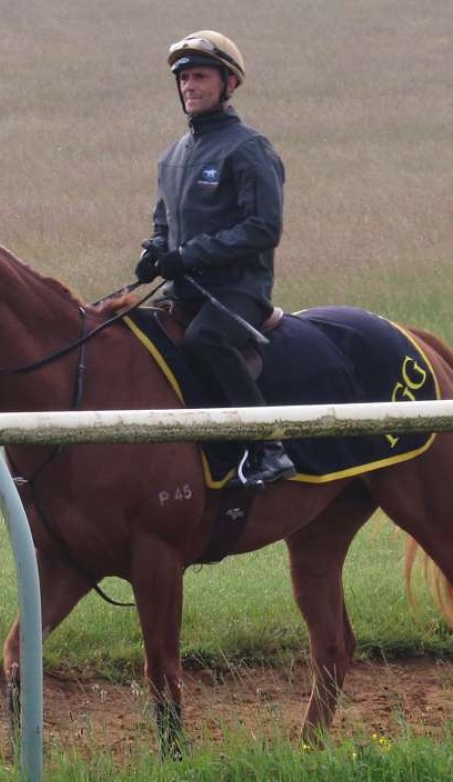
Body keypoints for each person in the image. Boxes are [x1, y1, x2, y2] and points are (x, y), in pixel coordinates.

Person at [135, 30, 296, 487]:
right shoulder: (172, 157)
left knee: (205, 340)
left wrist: (188, 256)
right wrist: (154, 251)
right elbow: (164, 223)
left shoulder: (249, 149)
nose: (190, 86)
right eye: (184, 78)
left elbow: (263, 229)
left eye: (200, 76)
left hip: (236, 294)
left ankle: (268, 447)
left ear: (228, 84)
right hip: (183, 291)